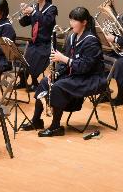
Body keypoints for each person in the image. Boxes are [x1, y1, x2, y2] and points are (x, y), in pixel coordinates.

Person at [21, 7, 106, 136]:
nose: (71, 23)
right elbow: (65, 64)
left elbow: (85, 67)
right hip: (76, 74)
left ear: (84, 22)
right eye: (70, 20)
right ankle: (36, 120)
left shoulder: (91, 41)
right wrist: (56, 73)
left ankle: (55, 126)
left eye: (75, 20)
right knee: (45, 81)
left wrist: (64, 59)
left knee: (58, 86)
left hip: (91, 78)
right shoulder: (72, 37)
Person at [18, 0, 57, 91]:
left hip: (46, 43)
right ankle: (23, 80)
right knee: (23, 59)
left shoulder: (51, 8)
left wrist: (33, 12)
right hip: (35, 42)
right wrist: (23, 13)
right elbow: (23, 23)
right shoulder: (34, 7)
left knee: (35, 59)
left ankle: (35, 82)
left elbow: (46, 22)